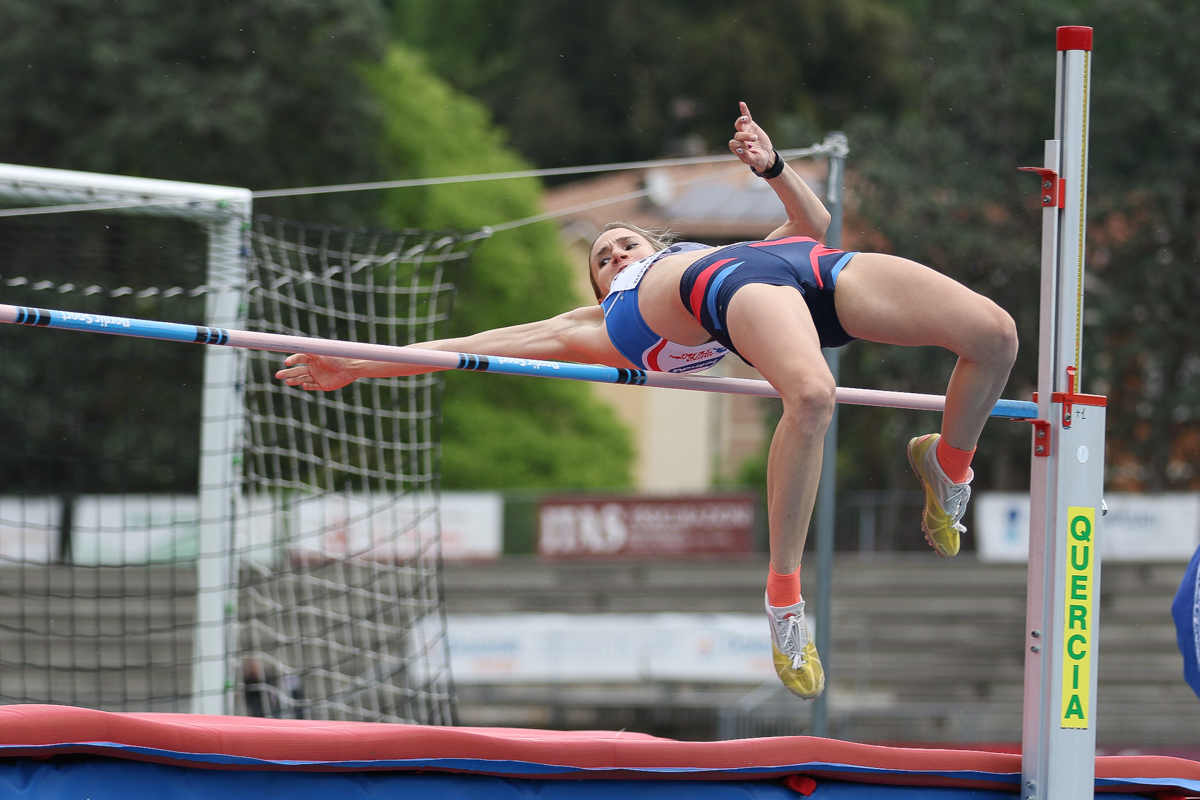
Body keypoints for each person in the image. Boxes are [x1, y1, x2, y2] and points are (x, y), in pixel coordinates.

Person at [275, 102, 1018, 699]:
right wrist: (358, 365)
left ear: (656, 244)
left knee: (994, 336)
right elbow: (473, 344)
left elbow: (814, 226)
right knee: (813, 397)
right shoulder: (598, 325)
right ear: (600, 288)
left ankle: (947, 464)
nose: (616, 254)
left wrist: (773, 166)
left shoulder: (696, 250)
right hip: (729, 292)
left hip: (799, 268)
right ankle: (785, 601)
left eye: (627, 244)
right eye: (603, 258)